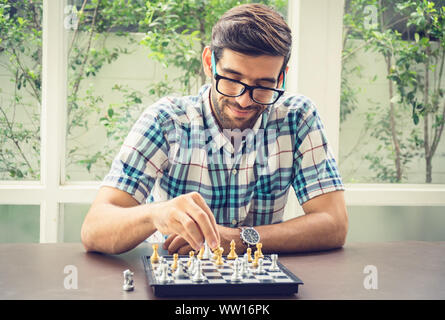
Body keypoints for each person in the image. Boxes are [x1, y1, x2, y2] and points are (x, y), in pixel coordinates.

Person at [81, 3, 348, 256]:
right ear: (209, 62)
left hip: (260, 285)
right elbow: (94, 230)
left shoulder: (297, 117)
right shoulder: (166, 121)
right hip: (175, 280)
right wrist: (155, 214)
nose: (243, 100)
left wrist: (238, 239)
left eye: (263, 85)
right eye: (232, 80)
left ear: (281, 76)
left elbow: (333, 224)